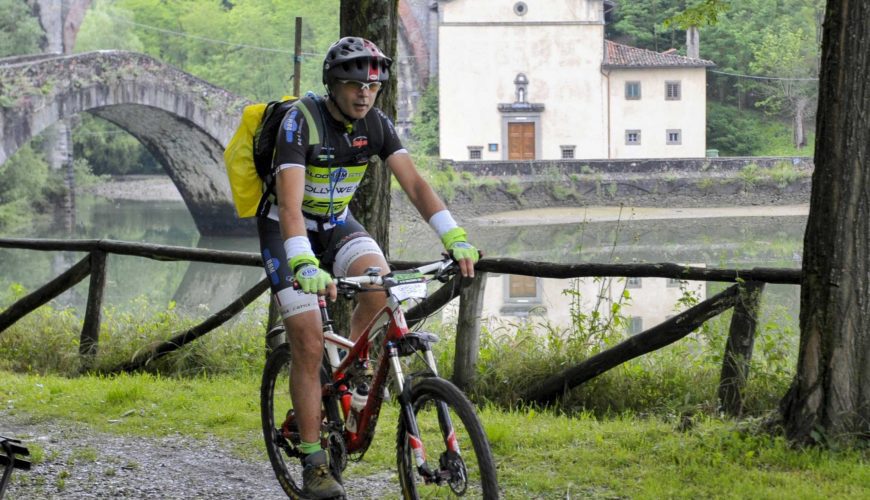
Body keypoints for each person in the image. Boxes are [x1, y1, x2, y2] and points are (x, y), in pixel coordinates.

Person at [257, 36, 479, 499]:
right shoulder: (302, 122)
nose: (364, 94)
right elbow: (293, 207)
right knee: (308, 341)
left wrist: (454, 236)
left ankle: (355, 375)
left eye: (372, 86)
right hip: (287, 228)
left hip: (337, 223)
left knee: (379, 285)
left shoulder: (376, 124)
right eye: (354, 84)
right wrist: (302, 262)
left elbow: (415, 184)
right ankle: (315, 463)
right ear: (333, 84)